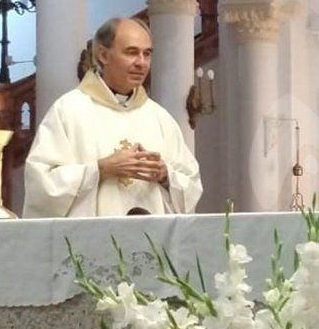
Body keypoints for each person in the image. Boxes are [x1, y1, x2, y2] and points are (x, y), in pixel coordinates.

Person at [23, 17, 202, 217]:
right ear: (103, 55)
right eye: (132, 52)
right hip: (89, 243)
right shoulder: (69, 110)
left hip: (152, 242)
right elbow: (42, 186)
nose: (141, 63)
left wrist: (165, 175)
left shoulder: (159, 117)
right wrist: (99, 169)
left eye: (147, 54)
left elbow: (191, 184)